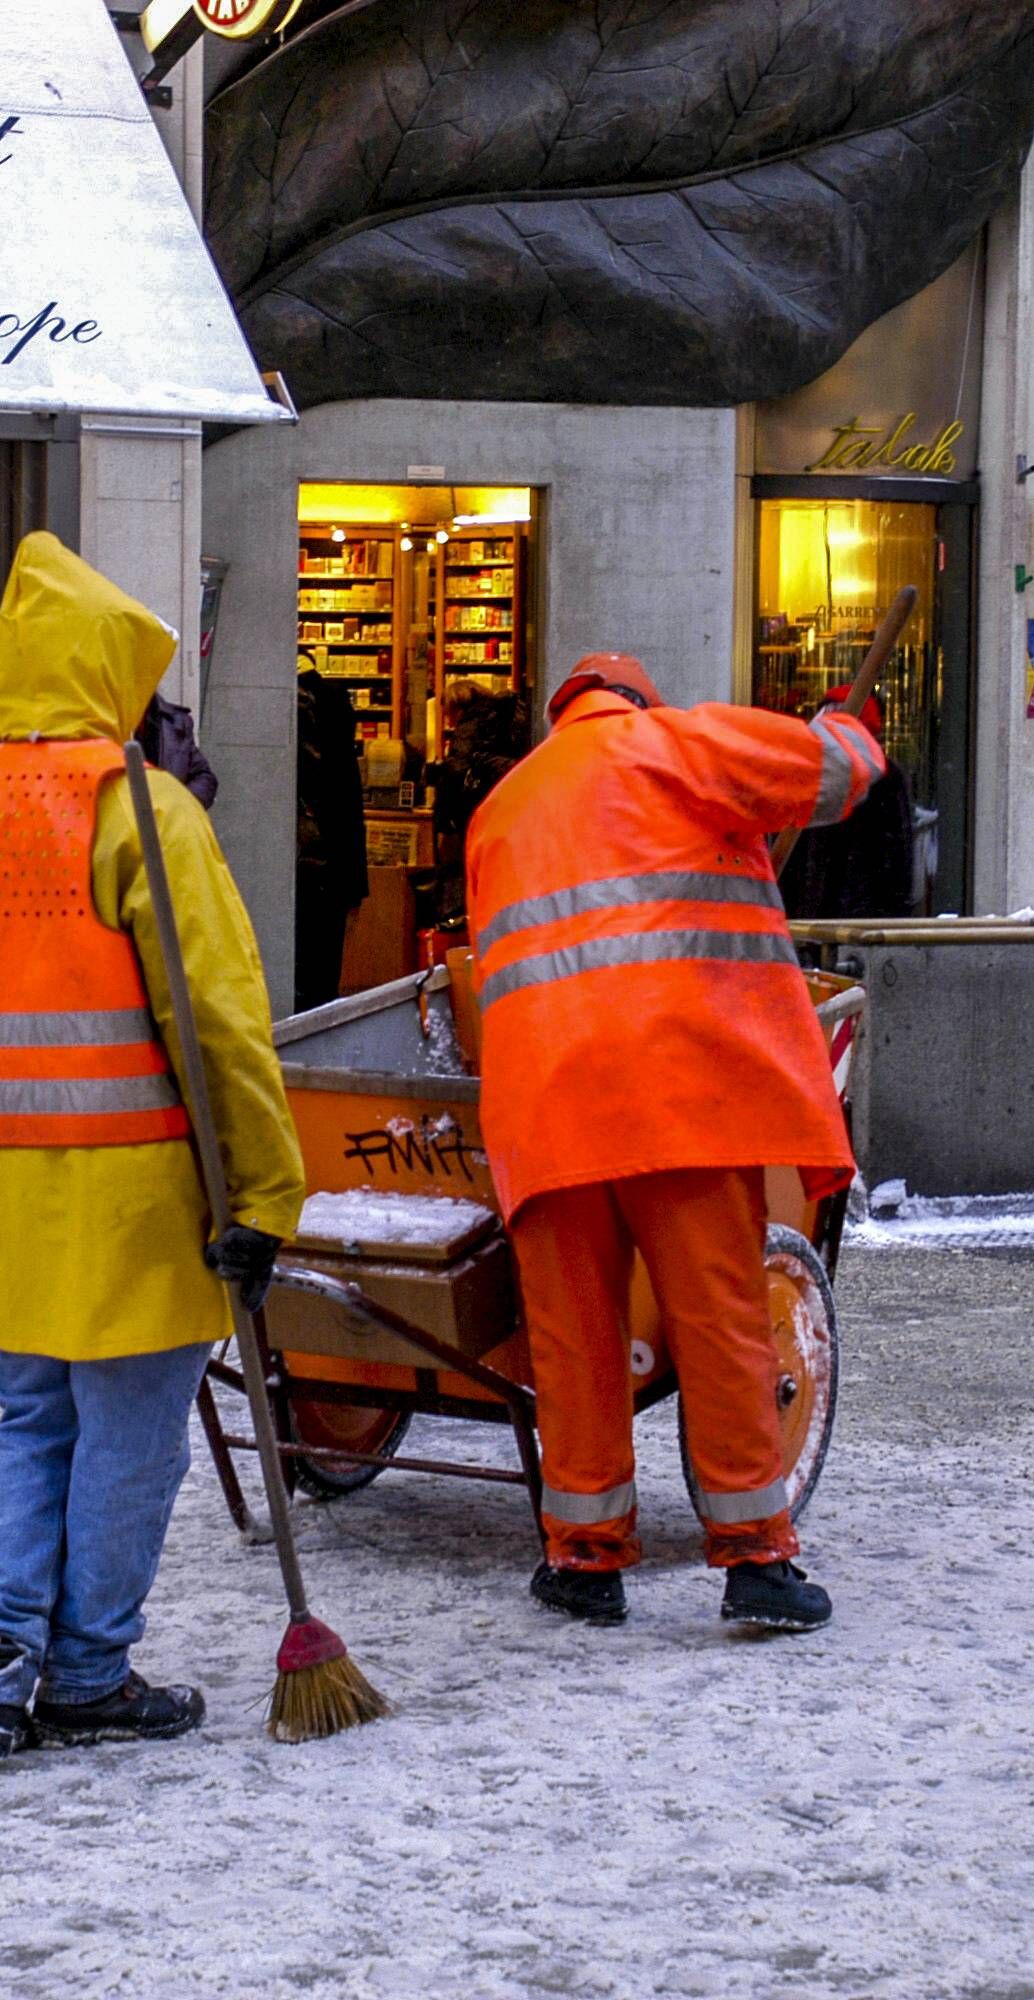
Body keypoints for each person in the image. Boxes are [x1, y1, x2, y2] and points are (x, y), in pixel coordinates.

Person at [0, 532, 306, 1766]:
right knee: (126, 1442)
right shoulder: (143, 809)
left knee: (28, 1422)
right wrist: (263, 1192)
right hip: (137, 1201)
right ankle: (83, 1669)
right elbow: (215, 1018)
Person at [464, 651, 886, 1633]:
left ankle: (582, 1557)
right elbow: (835, 772)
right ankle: (756, 1561)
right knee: (718, 1324)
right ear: (635, 701)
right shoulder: (676, 745)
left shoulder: (503, 805)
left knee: (574, 1339)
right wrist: (844, 721)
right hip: (676, 1096)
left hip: (545, 1105)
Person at [778, 684, 918, 919]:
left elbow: (892, 860)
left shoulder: (883, 779)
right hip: (831, 910)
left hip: (854, 911)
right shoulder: (813, 773)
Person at [294, 660, 368, 1011]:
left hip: (297, 863)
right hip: (333, 864)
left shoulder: (290, 709)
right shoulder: (336, 710)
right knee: (322, 978)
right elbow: (349, 806)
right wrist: (356, 884)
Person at [426, 681, 526, 932]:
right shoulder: (498, 720)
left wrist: (443, 815)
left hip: (467, 814)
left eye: (448, 711)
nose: (447, 718)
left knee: (456, 876)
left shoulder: (470, 725)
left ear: (457, 707)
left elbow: (457, 770)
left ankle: (454, 930)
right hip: (496, 811)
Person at [134, 687, 219, 809]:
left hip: (166, 817)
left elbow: (204, 777)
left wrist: (179, 804)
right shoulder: (110, 724)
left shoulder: (173, 721)